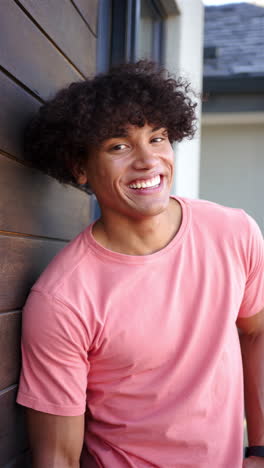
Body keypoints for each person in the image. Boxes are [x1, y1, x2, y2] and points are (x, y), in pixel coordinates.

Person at [17, 60, 264, 468]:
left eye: (158, 137)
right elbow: (57, 457)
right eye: (119, 146)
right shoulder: (62, 299)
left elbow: (256, 332)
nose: (148, 160)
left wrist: (259, 449)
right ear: (80, 168)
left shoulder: (233, 232)